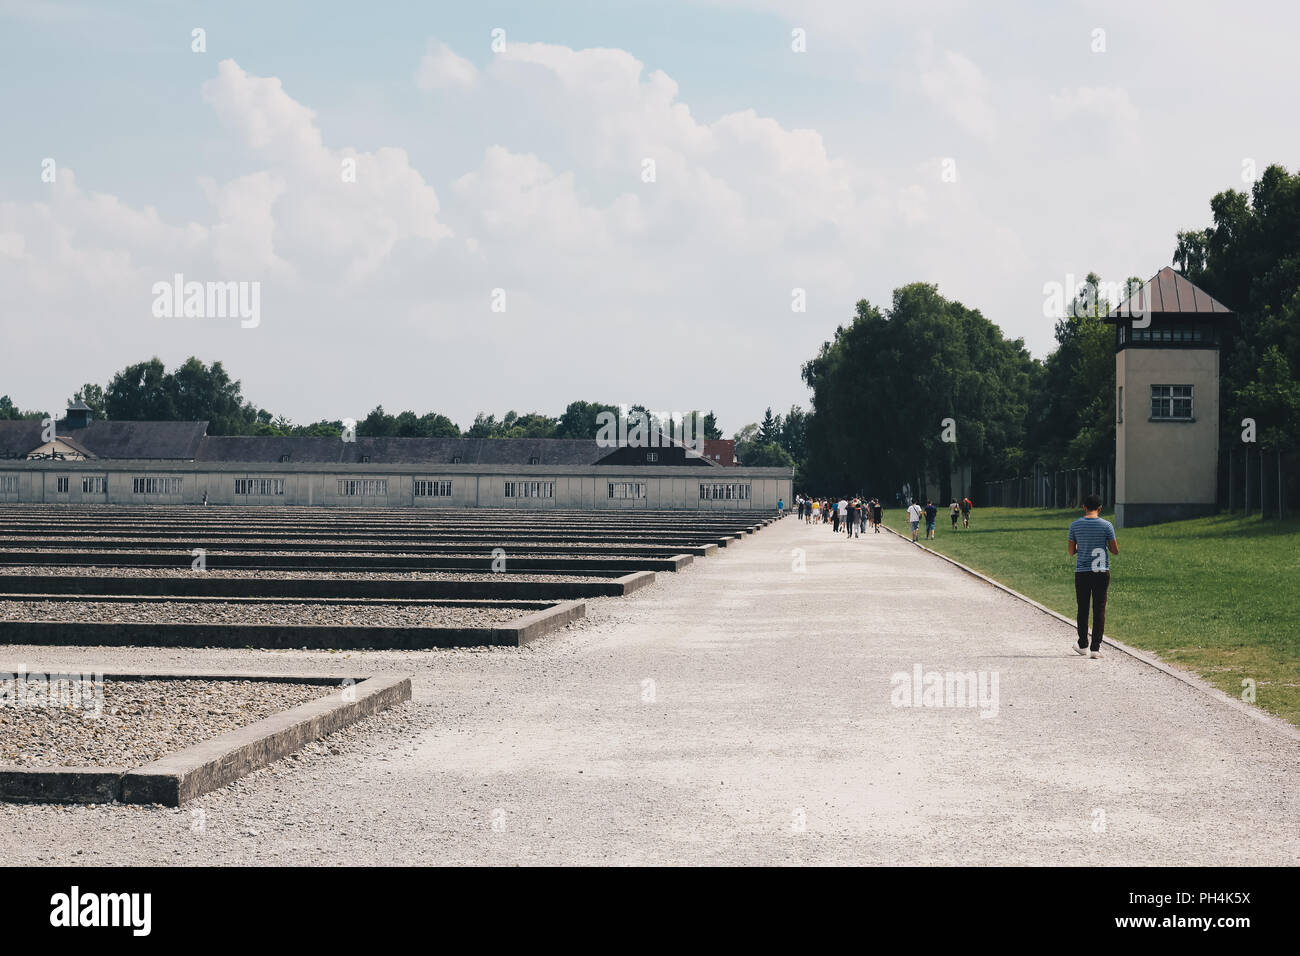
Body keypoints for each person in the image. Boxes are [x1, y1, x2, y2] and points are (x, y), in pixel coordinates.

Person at [1068, 493, 1117, 659]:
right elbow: (1114, 550)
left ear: (1084, 507)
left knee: (1082, 608)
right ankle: (1096, 648)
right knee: (1099, 608)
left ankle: (1082, 644)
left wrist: (1081, 548)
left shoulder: (1075, 525)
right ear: (1100, 508)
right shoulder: (1107, 525)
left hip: (1082, 572)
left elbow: (1070, 551)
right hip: (1101, 571)